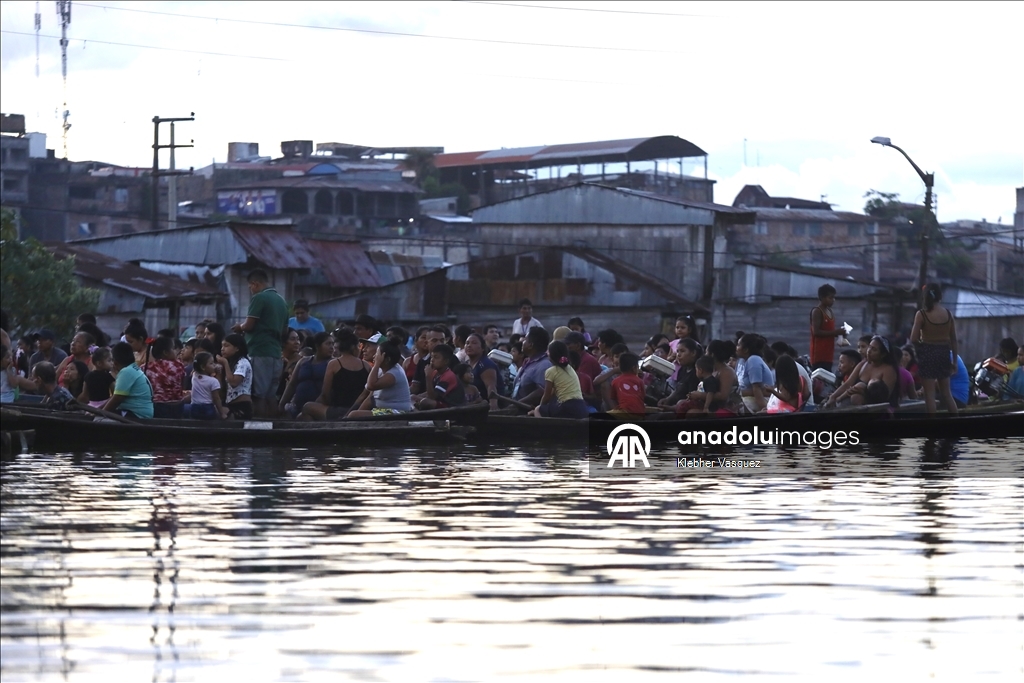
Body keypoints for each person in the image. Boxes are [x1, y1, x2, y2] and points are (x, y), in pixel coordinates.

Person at [233, 269, 289, 417]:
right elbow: (285, 331)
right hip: (276, 353)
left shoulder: (259, 298)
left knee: (258, 395)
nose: (250, 290)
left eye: (250, 287)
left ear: (255, 284)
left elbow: (249, 325)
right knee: (271, 395)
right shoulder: (281, 301)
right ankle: (273, 430)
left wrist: (240, 327)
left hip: (259, 350)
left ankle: (259, 429)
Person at [909, 283, 959, 415]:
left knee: (929, 396)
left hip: (928, 354)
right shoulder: (948, 314)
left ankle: (933, 428)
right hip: (944, 353)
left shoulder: (922, 314)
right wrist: (954, 361)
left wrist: (922, 347)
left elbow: (913, 339)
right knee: (947, 394)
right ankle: (958, 423)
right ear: (940, 296)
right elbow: (953, 340)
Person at [302, 328, 370, 421]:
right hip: (359, 410)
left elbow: (325, 395)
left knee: (307, 407)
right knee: (307, 415)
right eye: (359, 347)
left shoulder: (334, 364)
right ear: (353, 347)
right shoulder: (366, 365)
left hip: (340, 411)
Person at [825, 336, 899, 409]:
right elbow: (848, 384)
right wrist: (833, 397)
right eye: (869, 347)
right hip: (853, 403)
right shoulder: (863, 364)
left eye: (874, 349)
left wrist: (864, 391)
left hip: (876, 408)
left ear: (883, 354)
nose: (869, 351)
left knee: (856, 396)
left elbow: (884, 397)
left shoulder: (888, 370)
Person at [346, 341, 413, 418]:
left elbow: (371, 385)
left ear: (387, 359)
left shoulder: (394, 373)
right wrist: (354, 413)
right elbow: (370, 397)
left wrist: (376, 364)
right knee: (353, 415)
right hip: (384, 410)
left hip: (398, 412)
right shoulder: (381, 369)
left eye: (377, 355)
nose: (375, 356)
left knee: (353, 415)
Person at [280, 332, 334, 418]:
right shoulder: (303, 361)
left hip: (317, 409)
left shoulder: (333, 364)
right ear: (317, 346)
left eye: (332, 344)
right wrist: (282, 404)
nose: (332, 347)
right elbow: (292, 384)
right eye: (328, 344)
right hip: (296, 406)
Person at [529, 340, 588, 419]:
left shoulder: (551, 371)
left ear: (550, 355)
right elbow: (554, 393)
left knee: (537, 410)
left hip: (566, 407)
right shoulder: (570, 368)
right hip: (581, 407)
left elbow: (547, 395)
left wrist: (540, 407)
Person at [684, 340, 741, 417]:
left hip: (729, 408)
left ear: (712, 355)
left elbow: (723, 396)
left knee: (692, 413)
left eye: (706, 352)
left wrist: (699, 395)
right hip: (714, 406)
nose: (704, 354)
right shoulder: (712, 370)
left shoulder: (727, 372)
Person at [103, 342, 154, 419]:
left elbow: (117, 398)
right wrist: (97, 410)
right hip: (142, 412)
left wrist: (101, 413)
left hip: (136, 414)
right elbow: (115, 396)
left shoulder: (126, 372)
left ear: (115, 362)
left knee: (100, 421)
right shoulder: (133, 368)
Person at [415, 343, 466, 410]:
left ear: (445, 361)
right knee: (413, 397)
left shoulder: (448, 376)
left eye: (436, 357)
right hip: (440, 402)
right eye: (432, 357)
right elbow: (431, 391)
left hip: (451, 407)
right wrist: (418, 396)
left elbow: (432, 397)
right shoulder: (435, 373)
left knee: (425, 402)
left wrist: (428, 376)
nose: (432, 360)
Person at [146, 336, 186, 418]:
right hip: (176, 405)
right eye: (173, 348)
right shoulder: (178, 365)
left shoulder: (146, 367)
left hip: (156, 405)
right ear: (166, 352)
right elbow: (182, 383)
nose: (176, 351)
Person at [810, 284, 845, 372]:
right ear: (822, 297)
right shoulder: (817, 311)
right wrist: (836, 332)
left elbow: (830, 331)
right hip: (819, 355)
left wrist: (841, 334)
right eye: (830, 298)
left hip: (828, 353)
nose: (833, 300)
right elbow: (816, 332)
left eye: (834, 298)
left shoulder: (830, 311)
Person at [218, 333, 253, 420]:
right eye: (222, 346)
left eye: (226, 346)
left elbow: (234, 382)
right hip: (230, 404)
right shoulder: (232, 363)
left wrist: (225, 363)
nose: (222, 349)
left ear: (237, 348)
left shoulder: (243, 362)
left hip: (241, 407)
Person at [736, 334, 773, 414]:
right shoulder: (742, 361)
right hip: (750, 397)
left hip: (762, 399)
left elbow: (757, 388)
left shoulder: (753, 360)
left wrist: (764, 409)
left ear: (745, 349)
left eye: (738, 345)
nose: (736, 348)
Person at [463, 332, 502, 409]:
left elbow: (491, 387)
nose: (469, 345)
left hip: (486, 407)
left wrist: (493, 406)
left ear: (482, 348)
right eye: (467, 343)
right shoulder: (466, 364)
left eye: (474, 343)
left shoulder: (486, 364)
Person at [184, 352, 227, 420]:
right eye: (211, 363)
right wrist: (222, 413)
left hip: (194, 407)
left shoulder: (194, 376)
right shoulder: (213, 381)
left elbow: (196, 369)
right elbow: (216, 398)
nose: (214, 365)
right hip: (208, 408)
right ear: (203, 367)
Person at [607, 353, 646, 418]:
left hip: (623, 412)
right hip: (640, 413)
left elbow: (613, 399)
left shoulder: (615, 381)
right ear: (634, 368)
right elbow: (643, 396)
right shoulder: (639, 381)